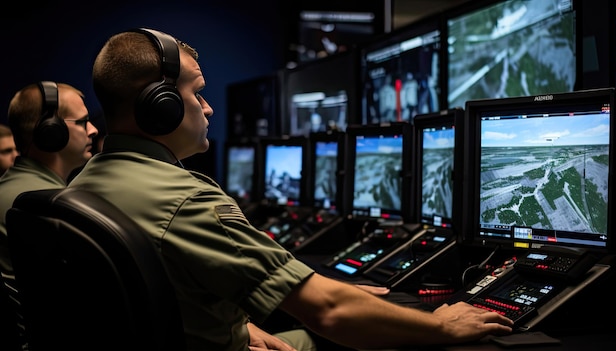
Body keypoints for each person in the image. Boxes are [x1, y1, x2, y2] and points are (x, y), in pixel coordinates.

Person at [69, 28, 513, 351]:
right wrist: (441, 324)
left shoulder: (84, 181)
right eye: (197, 93)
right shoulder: (187, 200)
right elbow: (329, 312)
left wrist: (237, 329)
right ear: (159, 107)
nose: (208, 107)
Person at [0, 81, 99, 349]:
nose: (94, 129)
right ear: (50, 132)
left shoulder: (12, 188)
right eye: (83, 122)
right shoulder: (47, 205)